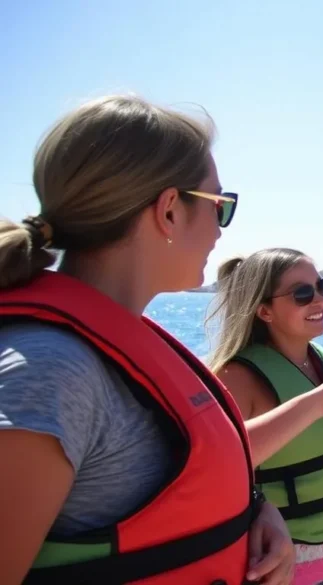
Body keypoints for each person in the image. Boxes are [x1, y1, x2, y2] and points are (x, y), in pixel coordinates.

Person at [0, 95, 294, 585]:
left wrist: (255, 511)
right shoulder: (51, 373)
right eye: (219, 205)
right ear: (170, 211)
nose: (222, 231)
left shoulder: (123, 341)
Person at [208, 248, 323, 585]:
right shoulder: (238, 377)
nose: (319, 300)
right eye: (302, 293)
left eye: (322, 287)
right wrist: (317, 403)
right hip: (282, 568)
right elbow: (219, 464)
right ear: (264, 311)